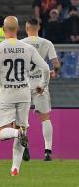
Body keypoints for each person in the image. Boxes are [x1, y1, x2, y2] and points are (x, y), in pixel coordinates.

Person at [0, 16, 50, 176]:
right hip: (24, 93)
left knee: (2, 132)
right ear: (18, 29)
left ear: (3, 29)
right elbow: (46, 68)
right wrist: (42, 85)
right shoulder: (27, 48)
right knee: (22, 127)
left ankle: (16, 134)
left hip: (6, 93)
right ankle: (15, 168)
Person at [21, 18, 61, 161]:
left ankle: (24, 149)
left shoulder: (21, 43)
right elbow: (56, 64)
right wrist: (53, 72)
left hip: (23, 84)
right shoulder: (46, 43)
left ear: (27, 28)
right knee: (45, 118)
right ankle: (48, 152)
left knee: (22, 118)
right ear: (38, 27)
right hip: (41, 83)